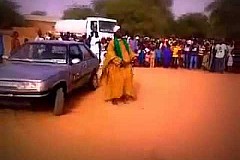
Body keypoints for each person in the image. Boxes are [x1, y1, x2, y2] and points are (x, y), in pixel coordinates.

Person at [101, 26, 136, 105]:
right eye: (119, 31)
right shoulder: (112, 43)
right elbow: (110, 54)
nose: (121, 32)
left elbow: (129, 51)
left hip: (126, 65)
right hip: (116, 66)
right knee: (116, 82)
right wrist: (119, 61)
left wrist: (133, 57)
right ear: (115, 33)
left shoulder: (124, 42)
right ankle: (115, 98)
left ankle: (124, 96)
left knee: (126, 81)